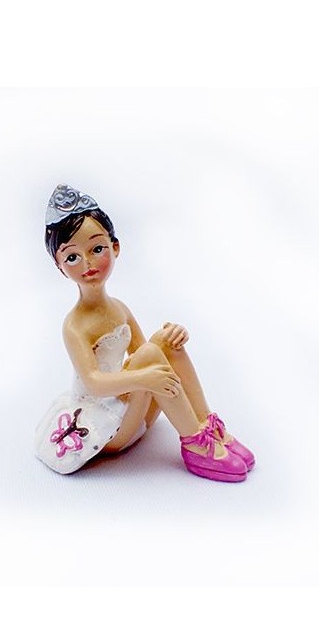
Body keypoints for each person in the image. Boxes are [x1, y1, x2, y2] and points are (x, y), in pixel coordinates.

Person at [34, 184, 255, 481]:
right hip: (107, 425)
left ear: (115, 247)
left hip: (133, 408)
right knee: (151, 354)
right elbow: (95, 383)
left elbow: (144, 350)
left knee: (163, 342)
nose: (87, 264)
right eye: (72, 257)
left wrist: (173, 338)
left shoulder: (119, 308)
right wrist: (144, 378)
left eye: (97, 249)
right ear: (59, 266)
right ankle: (194, 444)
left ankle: (207, 426)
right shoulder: (74, 325)